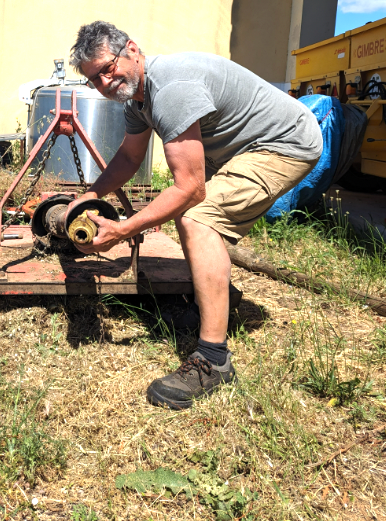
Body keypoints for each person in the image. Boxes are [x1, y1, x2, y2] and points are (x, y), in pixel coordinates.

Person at [68, 21, 322, 410]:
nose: (103, 83)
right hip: (243, 148)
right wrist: (89, 194)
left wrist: (123, 230)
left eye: (107, 68)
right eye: (93, 80)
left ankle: (214, 360)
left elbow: (190, 187)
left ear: (132, 50)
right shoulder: (138, 98)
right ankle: (216, 300)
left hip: (284, 144)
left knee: (196, 216)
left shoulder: (170, 89)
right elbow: (130, 157)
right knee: (197, 213)